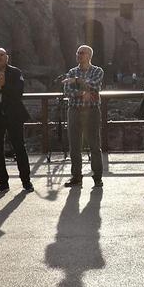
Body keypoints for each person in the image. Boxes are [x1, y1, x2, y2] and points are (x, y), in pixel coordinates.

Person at [0, 48, 34, 194]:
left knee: (19, 148)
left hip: (13, 115)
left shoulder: (15, 73)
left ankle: (26, 181)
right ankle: (2, 183)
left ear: (7, 58)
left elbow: (18, 92)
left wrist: (4, 86)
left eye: (2, 55)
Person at [62, 44, 104, 188]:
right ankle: (76, 177)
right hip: (74, 111)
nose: (79, 55)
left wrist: (77, 82)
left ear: (89, 56)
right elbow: (67, 91)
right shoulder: (71, 71)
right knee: (74, 146)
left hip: (92, 111)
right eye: (78, 53)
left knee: (94, 145)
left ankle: (97, 177)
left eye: (82, 53)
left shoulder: (97, 71)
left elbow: (95, 86)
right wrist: (82, 92)